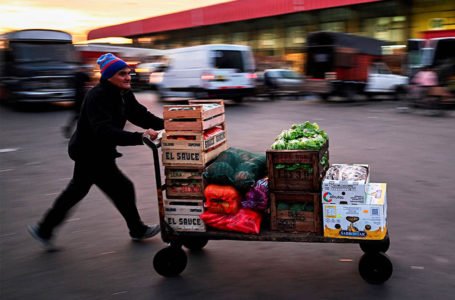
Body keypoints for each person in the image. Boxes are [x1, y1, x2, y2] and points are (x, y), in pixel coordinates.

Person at [28, 53, 164, 250]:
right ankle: (137, 229)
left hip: (99, 152)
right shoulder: (97, 96)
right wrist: (140, 137)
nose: (128, 77)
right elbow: (104, 131)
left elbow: (140, 115)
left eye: (128, 73)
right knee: (120, 187)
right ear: (108, 76)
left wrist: (170, 124)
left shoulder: (124, 93)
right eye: (122, 74)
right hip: (90, 152)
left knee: (80, 190)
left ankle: (44, 229)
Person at [62, 64, 92, 139]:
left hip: (75, 97)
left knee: (76, 115)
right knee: (84, 115)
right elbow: (89, 80)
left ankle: (68, 128)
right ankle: (82, 132)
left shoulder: (73, 75)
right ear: (82, 68)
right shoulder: (83, 74)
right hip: (82, 96)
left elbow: (69, 84)